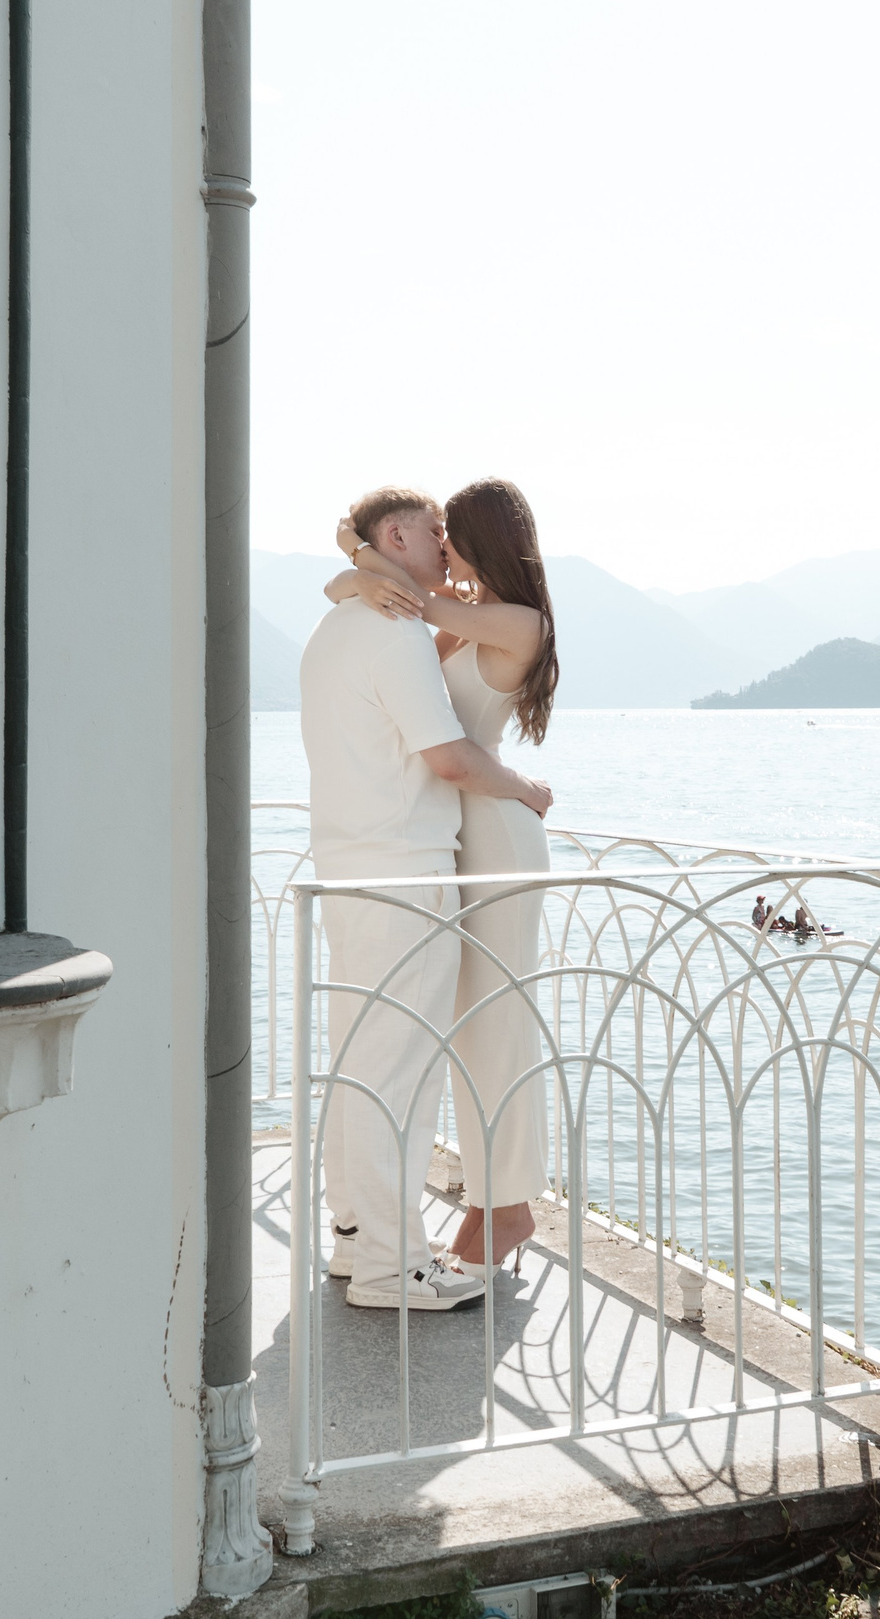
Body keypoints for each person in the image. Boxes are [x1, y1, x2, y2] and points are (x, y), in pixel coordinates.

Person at [300, 486, 554, 1311]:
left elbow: (399, 595)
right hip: (448, 841)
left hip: (497, 834)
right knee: (447, 1037)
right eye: (434, 533)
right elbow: (388, 605)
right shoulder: (435, 615)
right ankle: (427, 1223)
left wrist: (357, 554)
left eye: (453, 533)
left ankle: (504, 1205)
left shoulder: (517, 623)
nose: (443, 546)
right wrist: (358, 567)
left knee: (498, 1029)